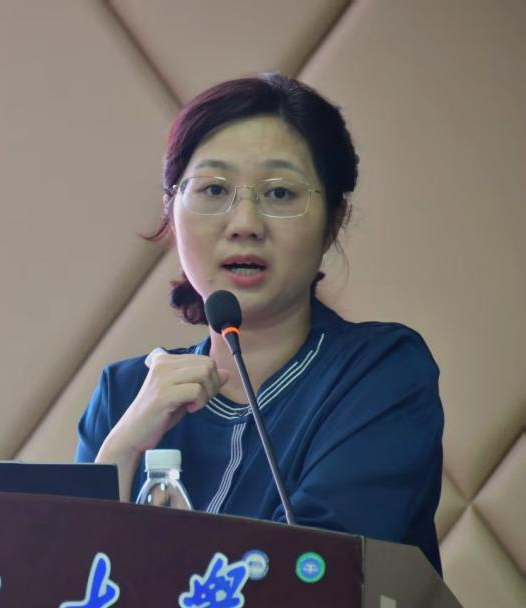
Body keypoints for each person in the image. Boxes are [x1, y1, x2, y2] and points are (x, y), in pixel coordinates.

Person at [76, 73, 444, 574]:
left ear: (333, 220)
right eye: (213, 189)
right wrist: (120, 451)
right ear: (171, 210)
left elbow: (317, 575)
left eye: (280, 193)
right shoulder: (123, 394)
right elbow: (61, 593)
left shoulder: (380, 375)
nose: (245, 224)